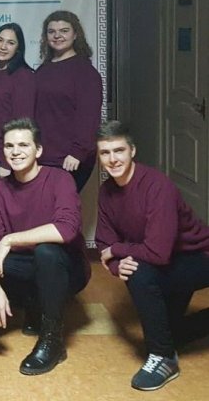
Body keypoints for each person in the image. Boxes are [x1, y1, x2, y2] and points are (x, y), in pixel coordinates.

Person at [95, 120, 209, 391]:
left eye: (119, 150)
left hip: (199, 256)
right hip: (168, 260)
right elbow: (104, 243)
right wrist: (116, 264)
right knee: (171, 332)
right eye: (105, 153)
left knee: (140, 271)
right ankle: (168, 342)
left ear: (132, 151)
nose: (112, 159)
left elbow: (156, 252)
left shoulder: (157, 186)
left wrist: (118, 251)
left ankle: (164, 358)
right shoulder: (106, 192)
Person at [0, 118, 90, 375]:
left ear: (38, 150)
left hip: (67, 268)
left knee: (45, 252)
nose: (15, 152)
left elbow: (66, 229)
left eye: (23, 145)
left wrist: (9, 239)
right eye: (9, 146)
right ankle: (34, 304)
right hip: (27, 266)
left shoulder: (60, 179)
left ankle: (53, 341)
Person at [34, 10, 102, 192]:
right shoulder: (43, 70)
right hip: (43, 155)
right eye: (52, 31)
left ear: (75, 34)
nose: (57, 36)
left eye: (64, 31)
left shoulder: (85, 73)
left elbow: (89, 117)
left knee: (62, 206)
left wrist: (77, 152)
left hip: (70, 158)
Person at [0, 23, 35, 187]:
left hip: (5, 157)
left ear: (18, 49)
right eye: (0, 40)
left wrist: (7, 162)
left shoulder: (23, 76)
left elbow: (23, 124)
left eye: (10, 43)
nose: (3, 47)